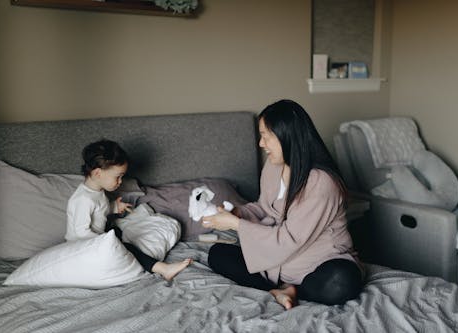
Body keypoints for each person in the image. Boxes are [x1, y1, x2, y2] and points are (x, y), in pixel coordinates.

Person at [203, 99, 363, 309]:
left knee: (341, 281)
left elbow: (291, 238)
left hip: (315, 262)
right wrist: (237, 213)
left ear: (286, 136)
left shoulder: (320, 182)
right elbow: (263, 207)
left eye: (266, 137)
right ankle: (282, 288)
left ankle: (291, 287)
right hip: (275, 261)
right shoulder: (273, 166)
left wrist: (236, 225)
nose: (261, 144)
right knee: (217, 254)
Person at [65, 139, 191, 281]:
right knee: (127, 248)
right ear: (97, 173)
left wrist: (114, 207)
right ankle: (163, 268)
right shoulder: (83, 199)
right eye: (117, 177)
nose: (120, 182)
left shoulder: (96, 191)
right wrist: (106, 241)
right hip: (81, 245)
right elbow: (80, 232)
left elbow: (99, 211)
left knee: (118, 232)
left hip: (97, 237)